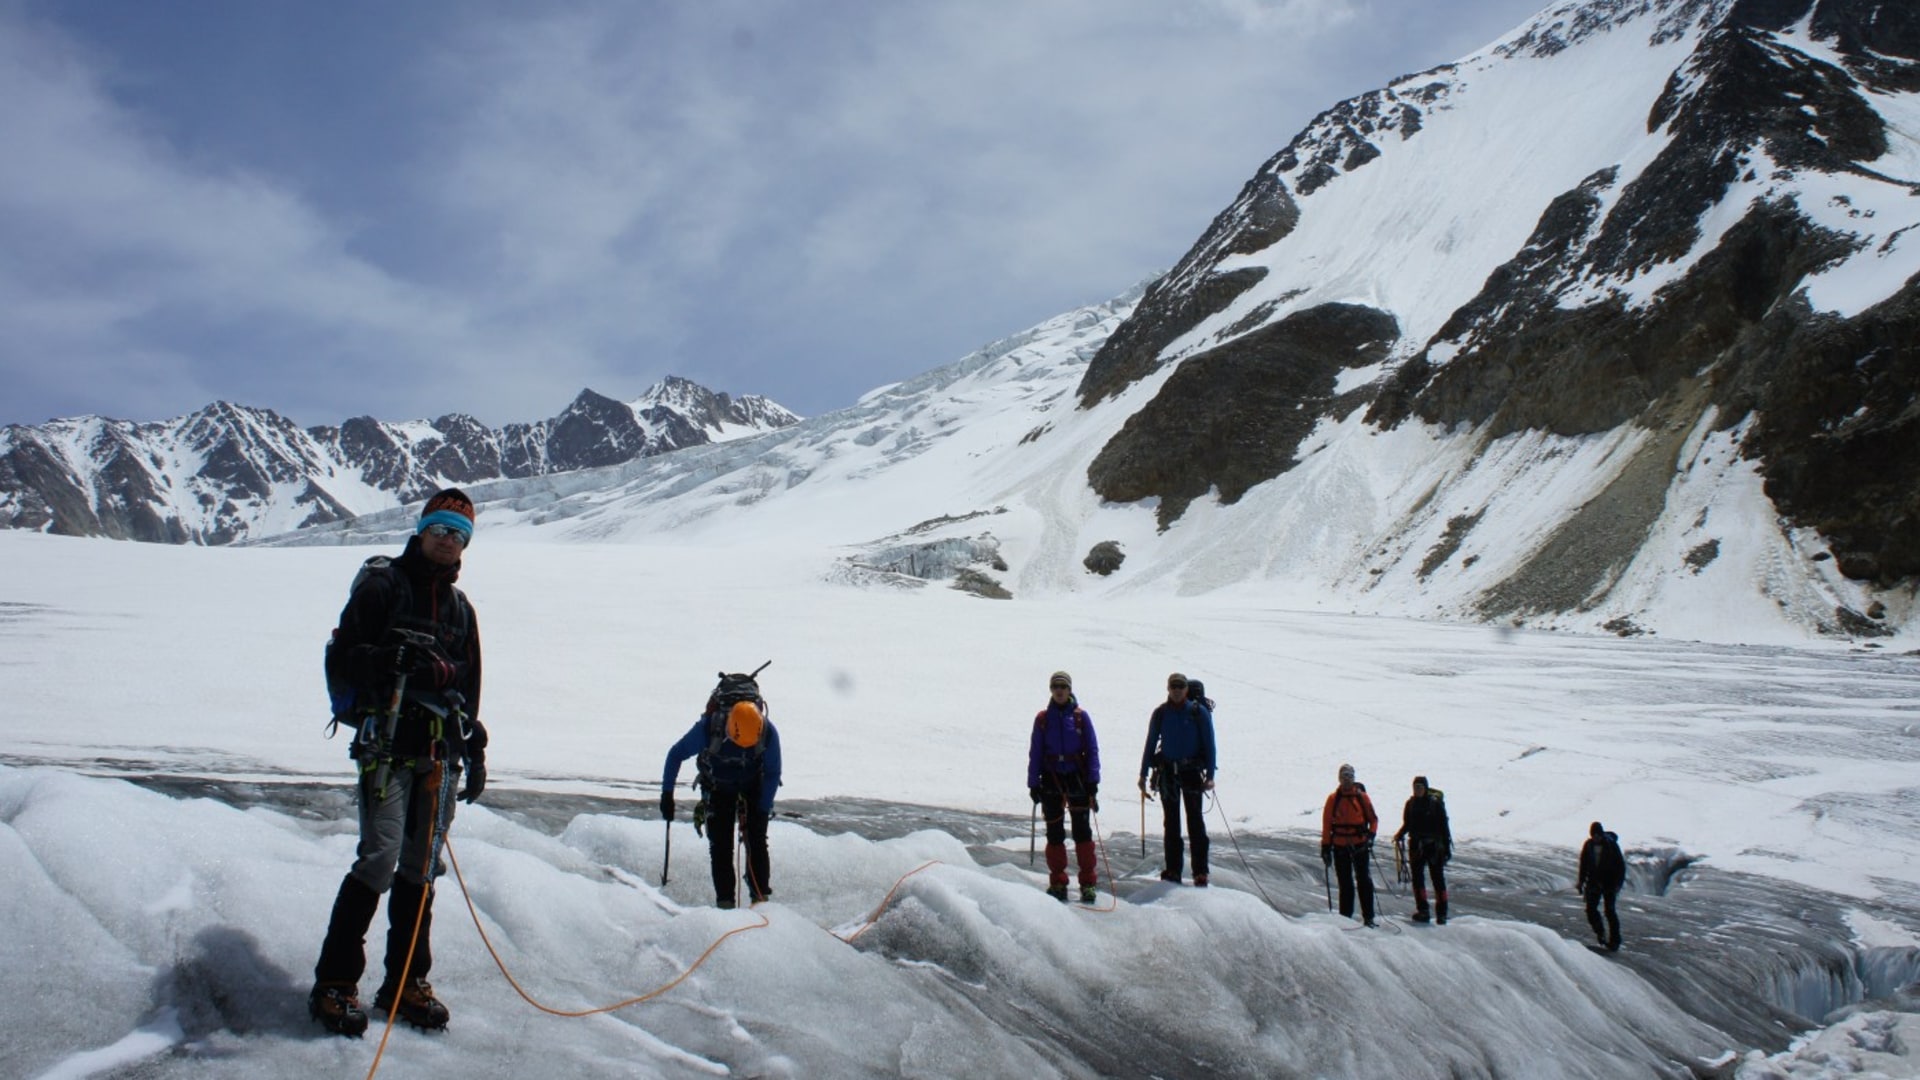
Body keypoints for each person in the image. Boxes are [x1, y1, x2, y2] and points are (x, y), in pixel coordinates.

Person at [310, 489, 488, 1036]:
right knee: (379, 859)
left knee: (418, 868)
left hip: (437, 753)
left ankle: (405, 982)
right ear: (421, 528)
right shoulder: (384, 588)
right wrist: (387, 660)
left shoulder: (461, 610)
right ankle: (336, 984)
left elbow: (468, 686)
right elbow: (343, 656)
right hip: (386, 747)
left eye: (458, 535)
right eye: (440, 529)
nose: (447, 541)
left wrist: (473, 746)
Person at [662, 691, 782, 910]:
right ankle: (725, 904)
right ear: (729, 727)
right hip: (717, 786)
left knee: (756, 840)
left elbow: (773, 772)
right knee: (720, 845)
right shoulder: (709, 729)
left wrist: (762, 810)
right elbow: (676, 754)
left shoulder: (767, 732)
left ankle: (760, 900)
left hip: (752, 783)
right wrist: (667, 794)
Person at [1029, 670, 1102, 903]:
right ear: (1051, 690)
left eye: (1063, 687)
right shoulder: (1042, 719)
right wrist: (1033, 783)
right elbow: (1036, 752)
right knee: (1054, 832)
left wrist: (1093, 781)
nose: (1059, 691)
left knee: (1082, 831)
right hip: (1051, 777)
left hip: (1076, 778)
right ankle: (1058, 882)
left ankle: (1088, 883)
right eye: (1055, 687)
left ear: (1069, 690)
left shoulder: (1081, 717)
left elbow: (1092, 749)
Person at [1137, 673, 1216, 886]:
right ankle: (1173, 870)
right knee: (1171, 824)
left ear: (1186, 690)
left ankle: (1200, 872)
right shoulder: (1161, 714)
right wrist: (1143, 774)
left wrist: (1210, 776)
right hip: (1168, 773)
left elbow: (1210, 744)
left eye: (1180, 686)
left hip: (1190, 773)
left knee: (1195, 822)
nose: (1177, 690)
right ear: (1168, 688)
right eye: (1174, 686)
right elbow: (1151, 742)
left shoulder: (1197, 712)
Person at [1321, 763, 1378, 926]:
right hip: (1340, 846)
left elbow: (1373, 819)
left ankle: (1369, 917)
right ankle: (1346, 918)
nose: (1346, 780)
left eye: (1349, 776)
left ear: (1353, 778)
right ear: (1339, 778)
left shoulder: (1362, 797)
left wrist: (1371, 836)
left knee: (1364, 881)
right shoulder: (1333, 799)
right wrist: (1325, 847)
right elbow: (1326, 824)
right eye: (1344, 776)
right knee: (1345, 883)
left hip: (1360, 845)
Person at [1392, 776, 1452, 924]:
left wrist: (1446, 847)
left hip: (1433, 846)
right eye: (1416, 787)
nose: (1417, 790)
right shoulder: (1410, 804)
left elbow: (1444, 827)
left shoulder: (1435, 804)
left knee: (1437, 879)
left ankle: (1442, 913)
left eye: (1420, 787)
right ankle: (1423, 911)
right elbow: (1407, 824)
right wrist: (1400, 835)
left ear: (1425, 788)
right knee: (1418, 879)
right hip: (1417, 845)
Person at [1576, 821, 1626, 951]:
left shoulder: (1611, 845)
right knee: (1590, 909)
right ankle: (1600, 933)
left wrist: (1618, 884)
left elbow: (1620, 866)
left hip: (1610, 883)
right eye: (1593, 835)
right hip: (1593, 882)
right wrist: (1581, 882)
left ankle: (1615, 941)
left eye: (1598, 835)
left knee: (1609, 911)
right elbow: (1584, 864)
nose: (1596, 838)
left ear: (1601, 834)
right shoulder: (1588, 845)